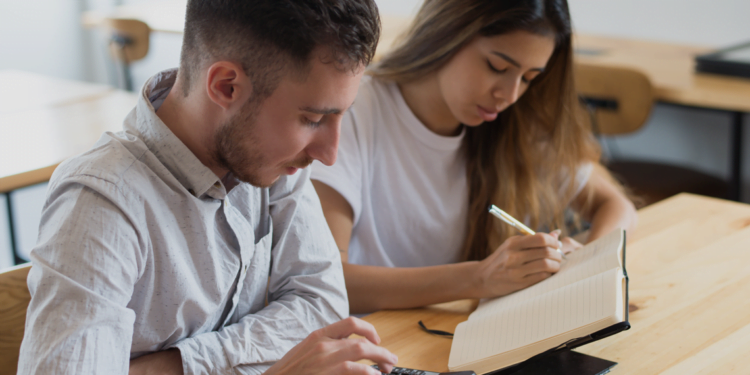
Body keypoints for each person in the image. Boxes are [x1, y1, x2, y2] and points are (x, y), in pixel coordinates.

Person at [17, 1, 398, 374]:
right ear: (226, 86)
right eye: (313, 118)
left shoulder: (274, 162)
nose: (329, 154)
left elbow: (323, 305)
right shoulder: (101, 204)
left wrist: (174, 366)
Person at [311, 0, 638, 314]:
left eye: (528, 78)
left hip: (446, 335)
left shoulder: (513, 123)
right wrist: (479, 278)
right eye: (497, 66)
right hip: (369, 345)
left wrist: (585, 263)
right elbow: (328, 279)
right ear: (448, 33)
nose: (509, 95)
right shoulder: (355, 111)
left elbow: (617, 207)